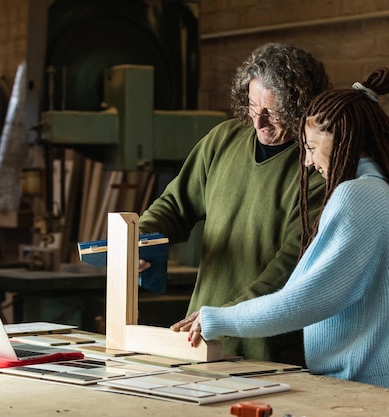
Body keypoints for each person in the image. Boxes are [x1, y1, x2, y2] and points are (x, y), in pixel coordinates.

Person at [171, 67, 389, 395]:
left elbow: (307, 299)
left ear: (340, 140)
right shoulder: (387, 190)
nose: (308, 162)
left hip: (368, 392)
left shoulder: (355, 195)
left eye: (311, 148)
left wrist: (218, 318)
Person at [138, 42, 330, 365]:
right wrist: (142, 238)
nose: (259, 122)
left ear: (301, 107)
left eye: (273, 111)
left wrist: (225, 316)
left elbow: (291, 266)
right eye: (254, 108)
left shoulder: (316, 168)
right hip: (197, 339)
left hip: (269, 354)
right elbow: (174, 204)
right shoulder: (223, 140)